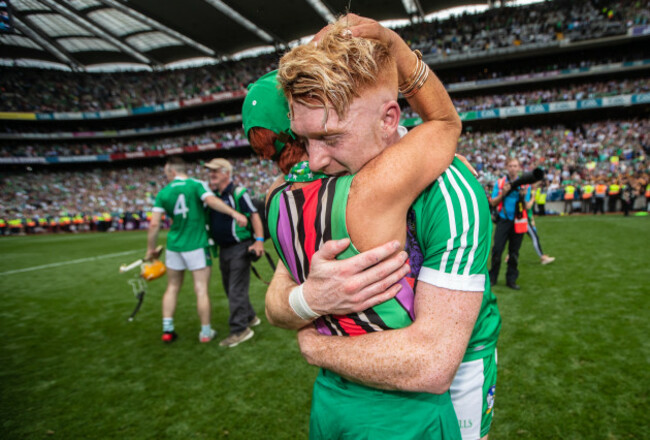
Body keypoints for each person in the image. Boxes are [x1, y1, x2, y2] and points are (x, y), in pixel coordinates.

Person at [248, 16, 499, 440]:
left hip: (447, 383)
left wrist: (316, 346)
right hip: (348, 395)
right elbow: (277, 303)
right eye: (305, 140)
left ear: (388, 120)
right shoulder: (318, 184)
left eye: (331, 138)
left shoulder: (449, 191)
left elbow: (432, 362)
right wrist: (310, 298)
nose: (314, 160)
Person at [146, 157, 248, 343]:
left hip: (174, 245)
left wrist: (150, 250)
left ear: (172, 171)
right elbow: (211, 201)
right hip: (197, 244)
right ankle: (205, 332)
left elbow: (154, 225)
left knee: (172, 287)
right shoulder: (196, 185)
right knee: (201, 290)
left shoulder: (163, 192)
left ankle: (167, 329)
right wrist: (234, 213)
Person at [204, 158, 264, 347]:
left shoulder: (238, 193)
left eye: (215, 171)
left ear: (226, 173)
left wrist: (259, 241)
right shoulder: (212, 195)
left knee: (236, 289)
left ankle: (240, 329)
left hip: (240, 247)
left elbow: (254, 214)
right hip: (224, 249)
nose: (211, 174)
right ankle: (250, 317)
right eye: (210, 171)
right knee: (230, 287)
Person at [488, 157, 532, 290]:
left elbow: (527, 207)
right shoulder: (501, 183)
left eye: (515, 166)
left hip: (518, 221)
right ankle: (492, 278)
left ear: (519, 168)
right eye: (511, 166)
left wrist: (523, 197)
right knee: (497, 250)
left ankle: (511, 280)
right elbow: (493, 202)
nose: (513, 168)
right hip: (503, 220)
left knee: (514, 253)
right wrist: (504, 193)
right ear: (507, 167)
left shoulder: (525, 184)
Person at [525, 191, 555, 265]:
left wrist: (532, 220)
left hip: (524, 219)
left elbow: (529, 210)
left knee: (516, 240)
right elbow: (528, 206)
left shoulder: (528, 190)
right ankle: (542, 257)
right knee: (535, 237)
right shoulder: (527, 191)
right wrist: (532, 198)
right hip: (523, 220)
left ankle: (508, 257)